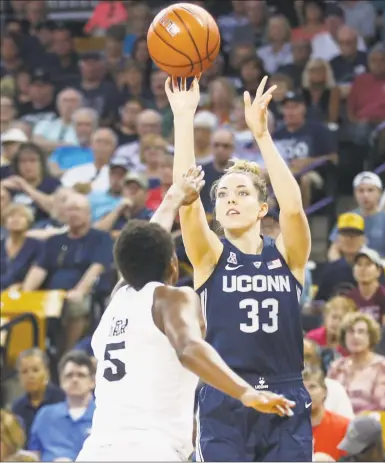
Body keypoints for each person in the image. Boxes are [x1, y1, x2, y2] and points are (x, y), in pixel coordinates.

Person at [76, 167, 294, 462]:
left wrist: (173, 198)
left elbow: (143, 247)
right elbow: (189, 348)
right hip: (149, 450)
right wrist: (247, 393)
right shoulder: (173, 297)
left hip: (95, 450)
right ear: (173, 265)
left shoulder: (117, 302)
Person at [166, 75, 312, 462]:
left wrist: (262, 136)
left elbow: (294, 208)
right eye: (223, 194)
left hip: (286, 391)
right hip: (225, 394)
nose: (230, 198)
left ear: (263, 208)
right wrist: (184, 119)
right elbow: (186, 203)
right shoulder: (210, 257)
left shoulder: (288, 256)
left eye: (242, 192)